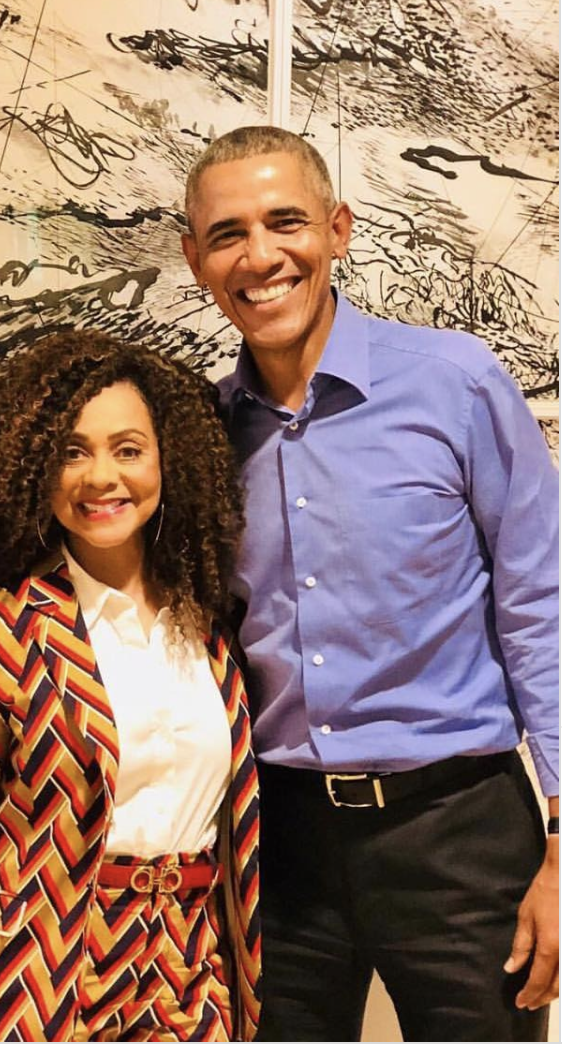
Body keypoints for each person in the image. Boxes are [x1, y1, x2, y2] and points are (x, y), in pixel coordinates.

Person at [181, 124, 559, 1041]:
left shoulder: (455, 384)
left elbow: (540, 605)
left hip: (459, 834)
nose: (260, 256)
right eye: (227, 234)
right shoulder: (200, 432)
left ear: (339, 230)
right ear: (195, 260)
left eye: (285, 222)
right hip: (278, 845)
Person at [0, 330, 261, 1042]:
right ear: (38, 466)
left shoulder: (211, 629)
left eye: (128, 449)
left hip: (192, 976)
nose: (102, 477)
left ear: (169, 461)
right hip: (32, 977)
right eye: (73, 451)